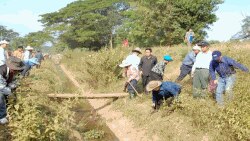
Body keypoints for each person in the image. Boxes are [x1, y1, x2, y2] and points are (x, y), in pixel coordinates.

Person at [0, 57, 25, 124]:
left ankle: (11, 109)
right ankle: (2, 116)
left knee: (13, 92)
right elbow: (1, 88)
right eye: (16, 70)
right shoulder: (1, 71)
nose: (18, 71)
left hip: (4, 85)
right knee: (1, 95)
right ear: (11, 68)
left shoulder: (14, 72)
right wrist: (10, 92)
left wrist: (14, 87)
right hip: (1, 87)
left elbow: (14, 82)